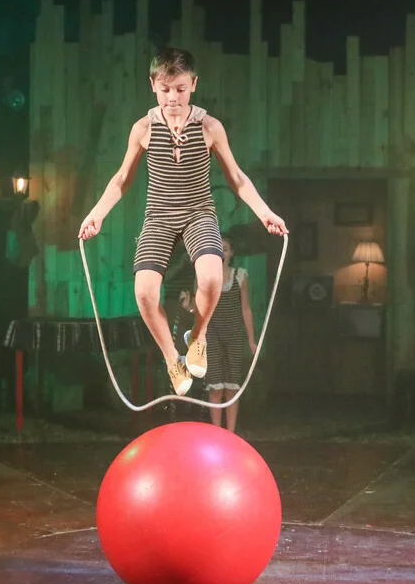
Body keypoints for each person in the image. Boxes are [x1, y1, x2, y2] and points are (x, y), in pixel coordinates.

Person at [78, 48, 287, 396]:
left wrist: (265, 213)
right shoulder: (143, 128)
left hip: (198, 214)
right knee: (144, 292)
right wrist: (96, 214)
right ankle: (172, 359)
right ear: (153, 85)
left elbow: (236, 177)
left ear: (193, 84)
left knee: (212, 276)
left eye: (180, 89)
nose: (172, 97)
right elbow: (122, 179)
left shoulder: (209, 127)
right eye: (165, 89)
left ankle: (198, 338)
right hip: (158, 216)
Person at [180, 235, 256, 432]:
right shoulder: (203, 277)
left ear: (231, 253)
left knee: (232, 387)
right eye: (217, 249)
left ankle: (230, 434)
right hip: (211, 335)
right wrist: (189, 307)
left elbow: (246, 309)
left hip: (234, 334)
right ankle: (217, 432)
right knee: (215, 387)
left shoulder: (240, 276)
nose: (221, 253)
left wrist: (251, 340)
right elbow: (198, 309)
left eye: (225, 249)